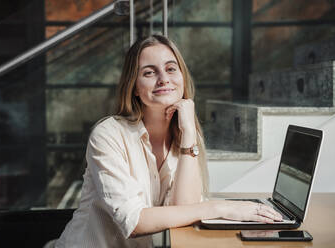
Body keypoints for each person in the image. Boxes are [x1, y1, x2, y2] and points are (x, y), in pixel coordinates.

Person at [54, 35, 282, 248]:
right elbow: (134, 223)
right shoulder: (108, 135)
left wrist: (190, 135)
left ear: (182, 77)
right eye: (149, 73)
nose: (164, 79)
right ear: (133, 86)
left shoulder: (186, 134)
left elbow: (186, 210)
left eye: (171, 69)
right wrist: (221, 207)